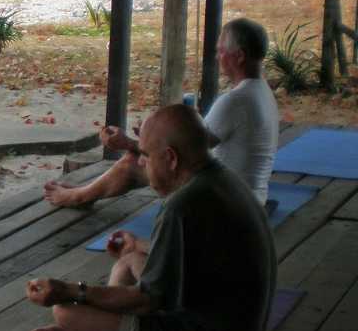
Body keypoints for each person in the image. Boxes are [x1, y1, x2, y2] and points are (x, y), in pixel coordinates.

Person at [26, 104, 276, 331]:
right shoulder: (223, 180)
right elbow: (197, 258)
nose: (141, 163)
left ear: (171, 158)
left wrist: (71, 290)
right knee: (129, 260)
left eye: (145, 155)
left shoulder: (182, 206)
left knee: (66, 312)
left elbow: (147, 301)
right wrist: (139, 246)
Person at [44, 17, 279, 207]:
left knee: (133, 164)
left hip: (227, 200)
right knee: (143, 156)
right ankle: (82, 194)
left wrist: (131, 143)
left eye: (221, 51)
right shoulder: (261, 91)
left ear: (238, 56)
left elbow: (187, 153)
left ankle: (77, 197)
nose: (217, 57)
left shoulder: (235, 101)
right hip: (250, 196)